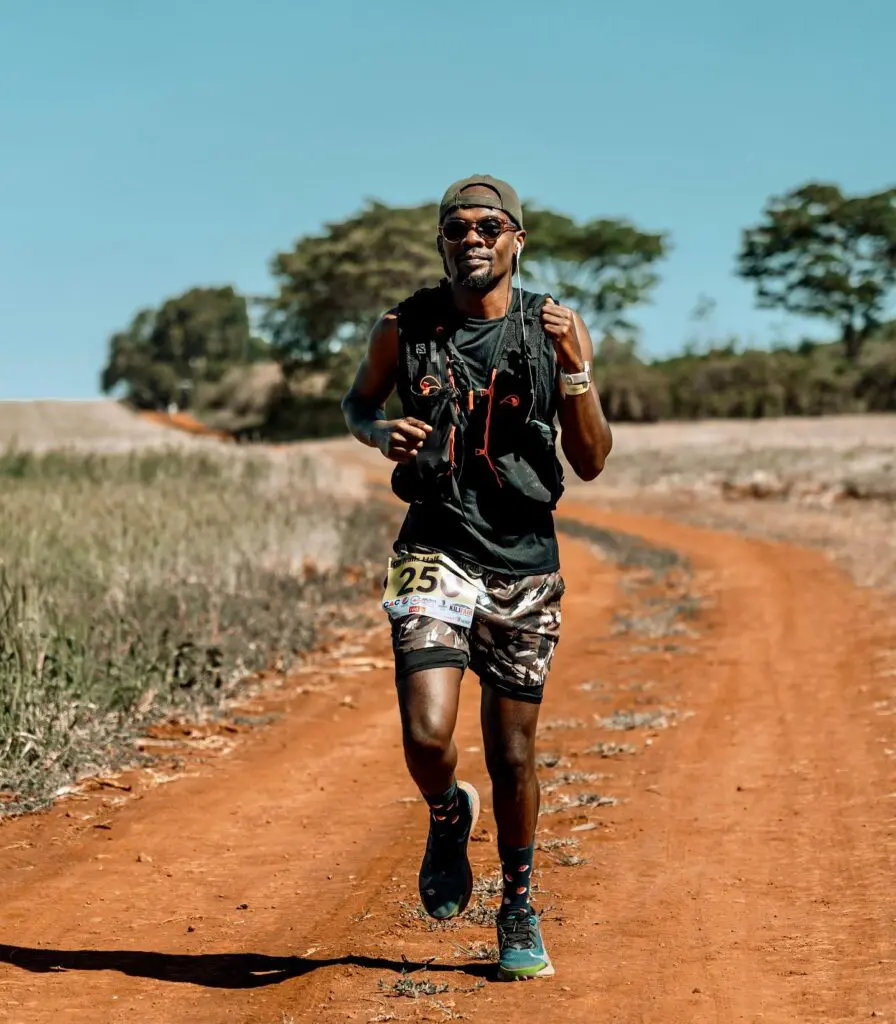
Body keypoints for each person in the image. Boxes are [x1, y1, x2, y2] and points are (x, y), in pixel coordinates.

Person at [341, 175, 612, 981]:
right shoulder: (405, 326)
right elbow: (357, 403)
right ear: (441, 242)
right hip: (434, 545)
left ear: (517, 239)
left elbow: (591, 462)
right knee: (429, 736)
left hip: (525, 561)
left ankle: (518, 905)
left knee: (512, 753)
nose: (473, 238)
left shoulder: (552, 328)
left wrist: (576, 372)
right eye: (456, 227)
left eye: (489, 226)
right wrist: (378, 430)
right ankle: (444, 811)